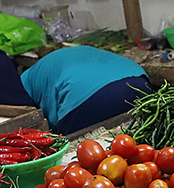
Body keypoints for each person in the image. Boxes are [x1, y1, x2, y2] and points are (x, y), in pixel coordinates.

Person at [21, 45, 155, 135]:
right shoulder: (46, 67)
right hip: (138, 80)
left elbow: (39, 118)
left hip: (89, 96)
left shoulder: (25, 83)